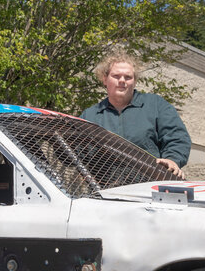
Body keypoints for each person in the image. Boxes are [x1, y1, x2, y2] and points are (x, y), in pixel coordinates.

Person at [80, 50, 191, 179]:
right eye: (116, 76)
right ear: (105, 79)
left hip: (151, 186)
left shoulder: (156, 105)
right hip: (105, 190)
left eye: (128, 77)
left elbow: (178, 138)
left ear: (135, 81)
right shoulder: (90, 115)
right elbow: (75, 153)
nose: (122, 81)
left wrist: (172, 159)